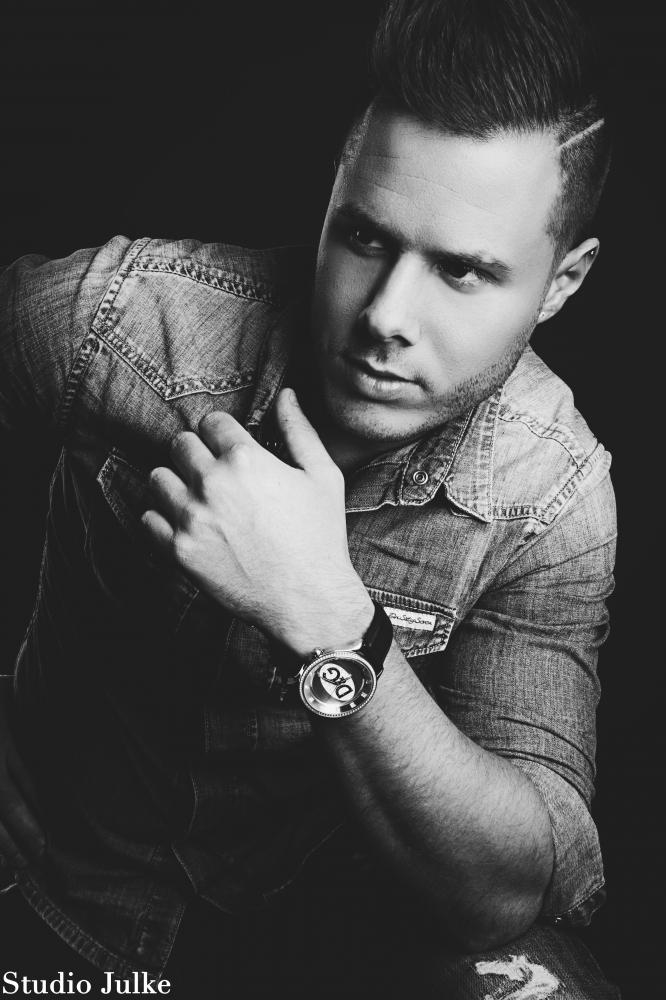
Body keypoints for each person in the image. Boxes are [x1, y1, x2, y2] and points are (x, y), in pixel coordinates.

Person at [0, 0, 619, 997]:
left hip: (324, 934)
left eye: (463, 272)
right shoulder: (128, 326)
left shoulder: (550, 496)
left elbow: (505, 888)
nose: (385, 317)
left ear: (561, 283)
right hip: (61, 895)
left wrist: (328, 618)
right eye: (365, 238)